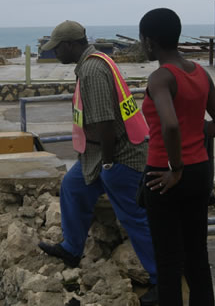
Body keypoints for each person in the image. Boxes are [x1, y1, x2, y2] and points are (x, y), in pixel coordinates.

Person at [38, 20, 158, 305]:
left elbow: (104, 121)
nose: (54, 54)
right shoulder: (95, 61)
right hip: (96, 154)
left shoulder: (92, 70)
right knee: (72, 186)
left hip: (117, 155)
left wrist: (107, 165)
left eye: (56, 48)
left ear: (70, 45)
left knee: (134, 218)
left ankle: (161, 279)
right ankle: (71, 247)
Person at [139, 8, 215, 306]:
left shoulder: (160, 78)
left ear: (150, 41)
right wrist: (194, 129)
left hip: (164, 175)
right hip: (200, 172)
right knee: (197, 258)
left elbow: (169, 124)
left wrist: (175, 167)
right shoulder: (199, 73)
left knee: (168, 262)